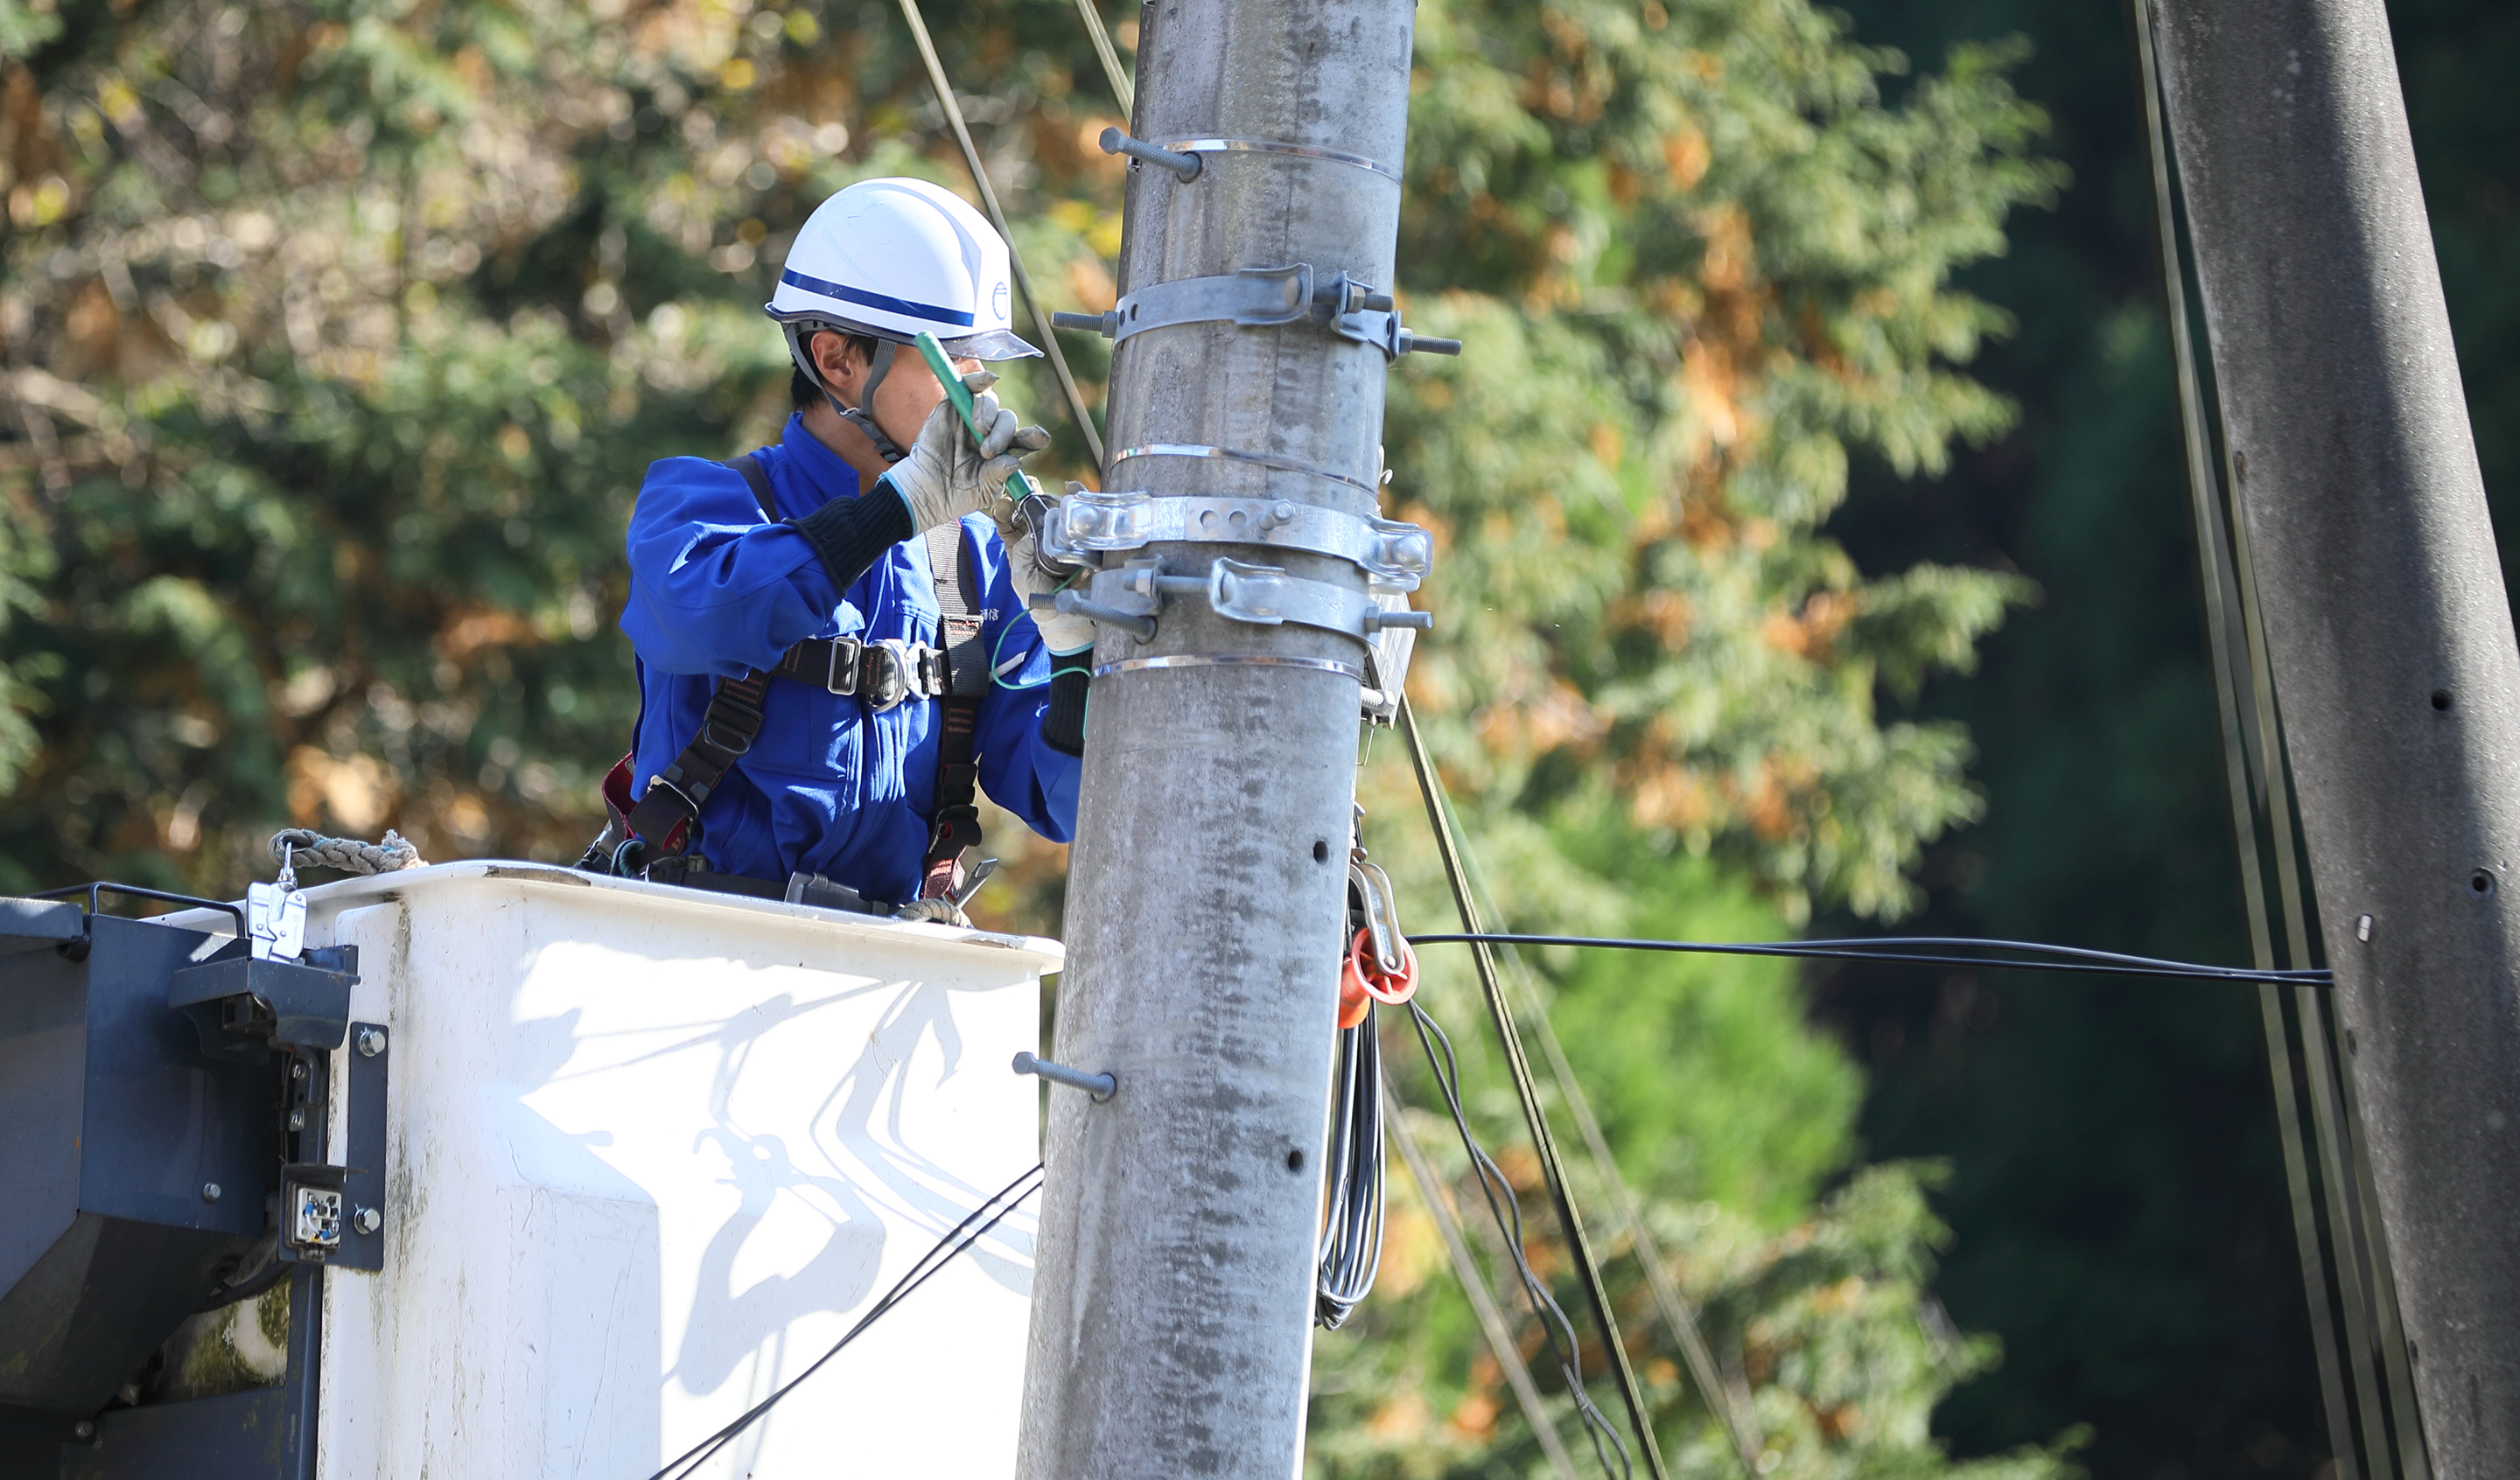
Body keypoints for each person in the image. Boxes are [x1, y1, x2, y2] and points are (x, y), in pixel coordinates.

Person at [599, 177, 1098, 922]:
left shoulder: (972, 570)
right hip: (691, 940)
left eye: (984, 368)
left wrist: (1074, 657)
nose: (980, 397)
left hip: (875, 967)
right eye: (953, 363)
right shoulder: (707, 502)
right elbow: (698, 615)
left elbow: (1065, 805)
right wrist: (893, 512)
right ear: (836, 360)